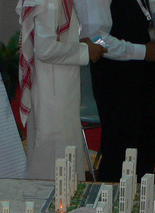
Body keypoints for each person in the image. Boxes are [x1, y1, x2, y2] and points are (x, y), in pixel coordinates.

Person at [75, 0, 155, 182]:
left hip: (144, 76)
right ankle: (110, 200)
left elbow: (145, 12)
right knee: (120, 155)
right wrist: (142, 51)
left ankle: (139, 198)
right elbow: (96, 38)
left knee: (144, 153)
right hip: (115, 79)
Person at [18, 0, 108, 180]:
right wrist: (84, 51)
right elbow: (45, 49)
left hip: (59, 85)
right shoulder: (49, 2)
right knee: (56, 158)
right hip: (53, 90)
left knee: (63, 155)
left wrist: (79, 43)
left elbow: (57, 38)